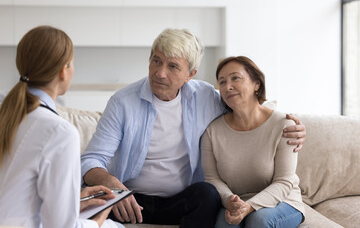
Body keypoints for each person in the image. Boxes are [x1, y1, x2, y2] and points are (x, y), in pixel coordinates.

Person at [81, 28, 306, 227]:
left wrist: (287, 123)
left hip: (182, 202)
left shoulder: (206, 97)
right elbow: (91, 160)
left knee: (207, 194)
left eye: (173, 66)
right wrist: (116, 189)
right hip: (131, 200)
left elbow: (244, 106)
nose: (160, 73)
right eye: (156, 61)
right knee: (95, 202)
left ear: (190, 75)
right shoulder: (123, 102)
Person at [0, 26, 122, 228]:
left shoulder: (10, 115)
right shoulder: (59, 132)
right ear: (63, 71)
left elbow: (18, 198)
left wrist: (73, 200)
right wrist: (99, 220)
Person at [201, 56, 305, 228]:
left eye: (235, 78)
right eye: (222, 82)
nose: (228, 86)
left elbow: (284, 181)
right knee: (224, 225)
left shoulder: (284, 125)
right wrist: (230, 201)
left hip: (283, 201)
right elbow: (212, 178)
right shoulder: (212, 131)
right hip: (236, 202)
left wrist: (249, 207)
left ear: (256, 84)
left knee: (259, 220)